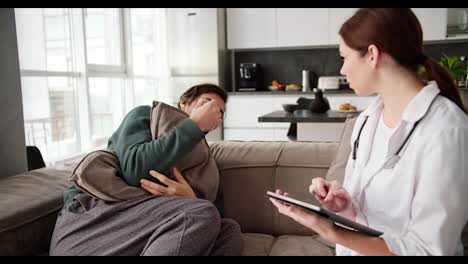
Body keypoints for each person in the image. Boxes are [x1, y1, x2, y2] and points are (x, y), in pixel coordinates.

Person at [269, 8, 468, 256]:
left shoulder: (447, 130)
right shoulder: (366, 120)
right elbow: (371, 213)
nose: (342, 70)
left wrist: (331, 231)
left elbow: (429, 251)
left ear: (372, 55)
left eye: (344, 57)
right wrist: (344, 204)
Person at [50, 84, 243, 256]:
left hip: (149, 227)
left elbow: (214, 216)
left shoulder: (205, 163)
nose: (213, 112)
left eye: (219, 112)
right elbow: (136, 172)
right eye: (206, 103)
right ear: (184, 101)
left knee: (229, 230)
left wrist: (191, 198)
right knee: (200, 213)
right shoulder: (147, 116)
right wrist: (193, 125)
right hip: (99, 214)